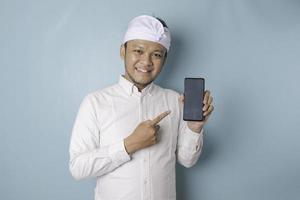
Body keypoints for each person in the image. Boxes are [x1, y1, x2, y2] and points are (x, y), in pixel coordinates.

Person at [69, 14, 214, 200]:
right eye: (138, 51)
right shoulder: (95, 102)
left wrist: (195, 128)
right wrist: (129, 144)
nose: (146, 62)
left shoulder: (174, 101)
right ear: (123, 51)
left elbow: (187, 160)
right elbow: (78, 167)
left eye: (156, 55)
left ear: (165, 59)